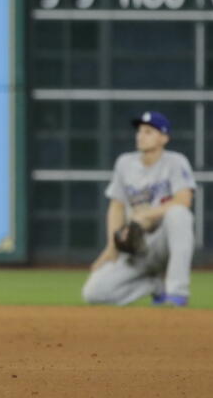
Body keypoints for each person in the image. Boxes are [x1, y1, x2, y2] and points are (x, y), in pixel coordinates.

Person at [82, 111, 196, 307]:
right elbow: (116, 206)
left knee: (179, 214)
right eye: (139, 131)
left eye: (149, 131)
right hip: (136, 245)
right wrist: (111, 247)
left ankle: (177, 292)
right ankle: (155, 286)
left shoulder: (175, 162)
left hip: (163, 242)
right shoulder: (125, 163)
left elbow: (184, 199)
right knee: (93, 293)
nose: (140, 136)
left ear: (164, 138)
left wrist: (146, 214)